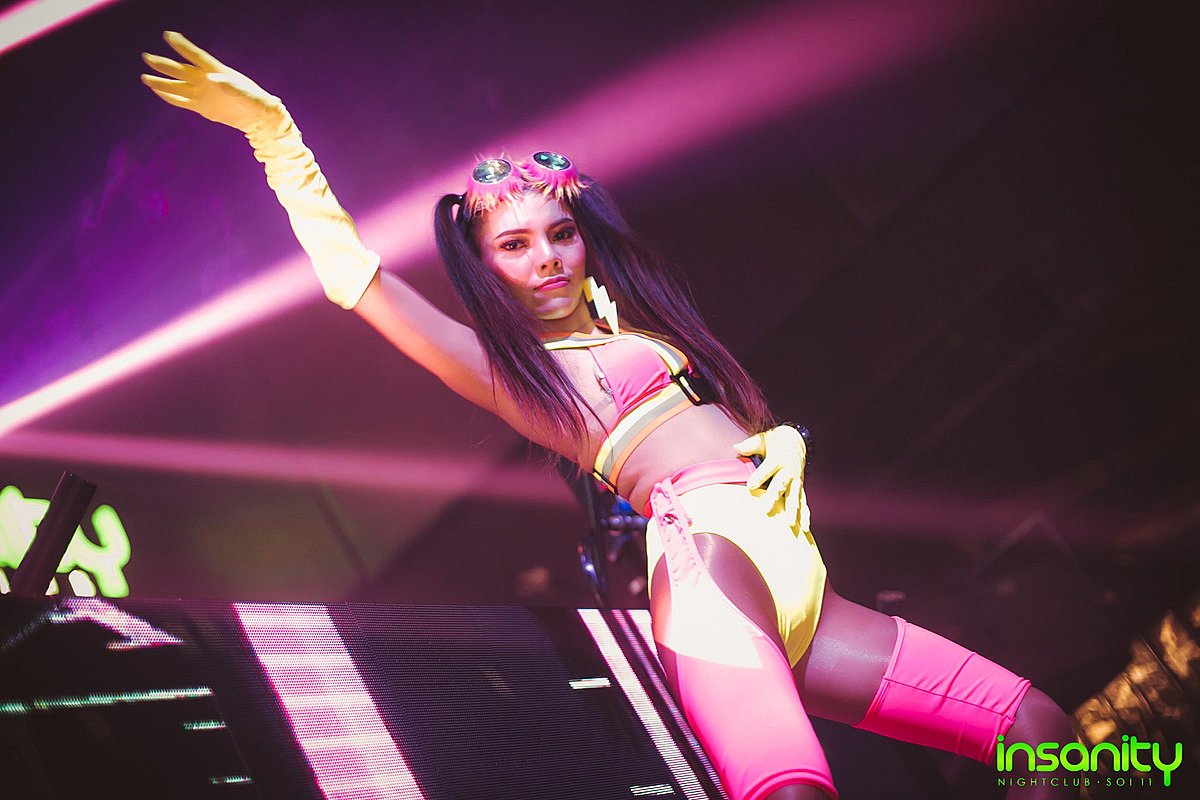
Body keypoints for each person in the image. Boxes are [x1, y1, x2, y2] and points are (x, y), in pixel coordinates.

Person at [141, 31, 1080, 800]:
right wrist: (276, 136)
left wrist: (780, 440)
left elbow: (710, 420)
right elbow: (356, 279)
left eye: (560, 233)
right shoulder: (515, 374)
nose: (547, 257)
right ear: (484, 270)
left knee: (1047, 734)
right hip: (713, 580)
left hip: (803, 583)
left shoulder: (642, 330)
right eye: (515, 245)